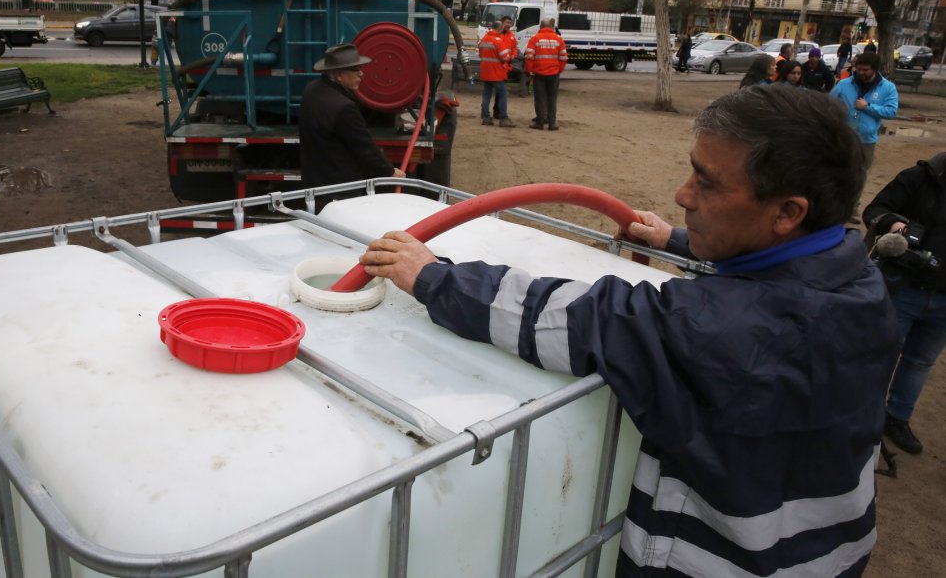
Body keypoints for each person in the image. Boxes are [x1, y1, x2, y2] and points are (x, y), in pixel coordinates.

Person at [359, 85, 898, 577]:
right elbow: (781, 274)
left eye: (706, 182)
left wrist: (431, 276)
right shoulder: (862, 283)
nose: (683, 195)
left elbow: (575, 317)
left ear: (787, 211)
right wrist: (679, 242)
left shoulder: (714, 333)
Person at [863, 151, 946, 455]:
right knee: (877, 356)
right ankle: (861, 420)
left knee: (920, 361)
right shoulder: (921, 177)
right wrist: (894, 224)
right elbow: (874, 210)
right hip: (904, 289)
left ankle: (897, 419)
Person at [299, 44, 405, 194]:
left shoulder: (311, 91)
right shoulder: (344, 108)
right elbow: (365, 148)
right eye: (356, 70)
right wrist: (390, 172)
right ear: (339, 74)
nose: (361, 74)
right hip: (339, 190)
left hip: (313, 186)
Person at [830, 51, 898, 169]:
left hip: (867, 142)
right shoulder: (844, 84)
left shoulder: (888, 88)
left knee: (860, 175)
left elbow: (891, 111)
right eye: (858, 68)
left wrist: (868, 107)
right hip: (844, 139)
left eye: (865, 70)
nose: (860, 72)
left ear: (875, 69)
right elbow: (828, 105)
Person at [523, 18, 568, 131]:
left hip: (539, 73)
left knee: (540, 98)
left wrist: (530, 70)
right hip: (554, 73)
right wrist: (559, 70)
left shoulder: (534, 39)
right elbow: (563, 57)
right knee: (552, 98)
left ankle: (540, 122)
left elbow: (529, 57)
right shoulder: (559, 39)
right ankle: (552, 123)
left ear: (540, 27)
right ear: (551, 27)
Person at [478, 20, 514, 127]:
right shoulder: (498, 41)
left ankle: (486, 117)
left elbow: (481, 54)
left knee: (486, 94)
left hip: (485, 72)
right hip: (496, 72)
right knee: (502, 94)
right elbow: (505, 57)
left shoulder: (483, 39)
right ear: (499, 28)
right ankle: (504, 118)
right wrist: (509, 57)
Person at [494, 16, 523, 117]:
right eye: (507, 22)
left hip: (507, 66)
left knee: (500, 90)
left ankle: (497, 111)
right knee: (499, 90)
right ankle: (497, 112)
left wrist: (513, 56)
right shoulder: (497, 35)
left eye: (510, 23)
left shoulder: (511, 36)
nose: (508, 25)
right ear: (502, 23)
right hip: (497, 66)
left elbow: (514, 48)